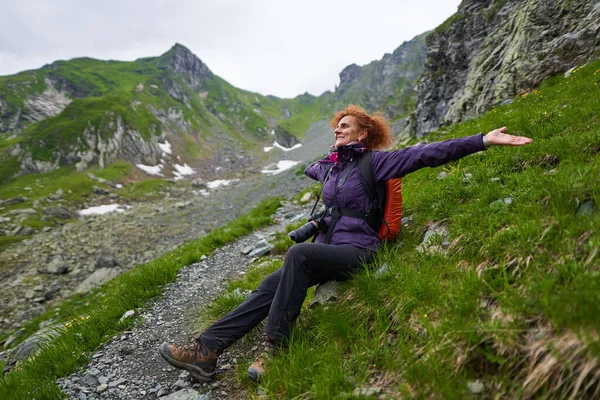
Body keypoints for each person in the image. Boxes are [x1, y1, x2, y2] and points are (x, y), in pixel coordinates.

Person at [158, 105, 533, 382]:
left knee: (298, 254)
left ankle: (275, 351)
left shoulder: (376, 163)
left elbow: (426, 154)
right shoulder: (335, 167)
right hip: (329, 251)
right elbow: (311, 168)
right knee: (271, 285)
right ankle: (206, 350)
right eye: (336, 126)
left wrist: (482, 140)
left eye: (345, 126)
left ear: (363, 134)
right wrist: (330, 160)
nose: (337, 129)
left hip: (361, 252)